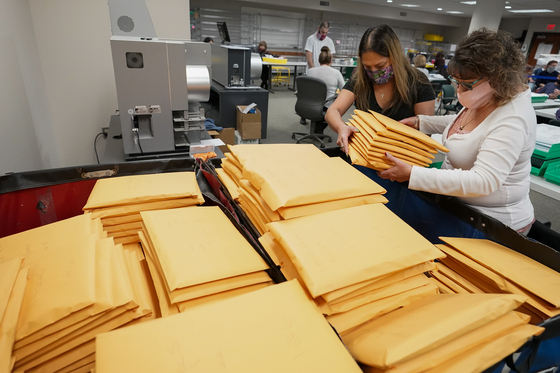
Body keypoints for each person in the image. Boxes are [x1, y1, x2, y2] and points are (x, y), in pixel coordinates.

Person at [379, 28, 536, 234]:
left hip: (493, 223)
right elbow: (465, 122)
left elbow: (484, 181)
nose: (459, 90)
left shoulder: (513, 119)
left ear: (497, 78)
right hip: (459, 207)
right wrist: (422, 122)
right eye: (456, 82)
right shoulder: (487, 96)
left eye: (466, 85)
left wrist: (414, 174)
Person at [325, 24, 435, 154]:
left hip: (402, 159)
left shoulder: (418, 82)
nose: (374, 72)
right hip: (366, 156)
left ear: (395, 57)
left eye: (380, 65)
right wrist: (341, 127)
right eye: (367, 67)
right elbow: (332, 111)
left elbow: (425, 133)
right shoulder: (360, 79)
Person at [307, 46, 345, 134]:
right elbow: (344, 90)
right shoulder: (336, 73)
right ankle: (320, 127)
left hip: (309, 104)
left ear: (318, 60)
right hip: (326, 107)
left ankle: (316, 125)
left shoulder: (310, 71)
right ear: (330, 61)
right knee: (337, 101)